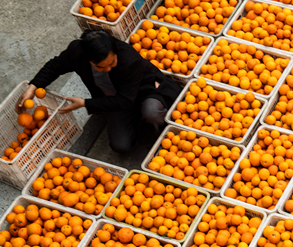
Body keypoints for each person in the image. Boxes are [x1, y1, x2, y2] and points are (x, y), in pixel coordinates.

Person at [17, 30, 181, 154]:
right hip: (116, 101)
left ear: (115, 50)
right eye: (100, 67)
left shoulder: (129, 59)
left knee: (152, 111)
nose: (108, 69)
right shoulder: (77, 52)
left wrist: (85, 103)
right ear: (88, 59)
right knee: (121, 145)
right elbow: (55, 66)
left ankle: (164, 133)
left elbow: (125, 100)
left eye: (112, 63)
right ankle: (135, 120)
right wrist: (32, 87)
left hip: (144, 92)